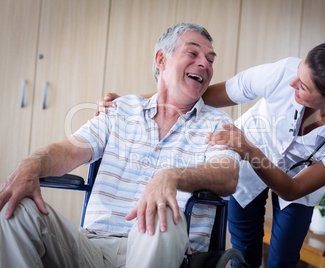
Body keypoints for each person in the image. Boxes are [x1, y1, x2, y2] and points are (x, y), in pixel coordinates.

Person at [98, 40, 325, 267]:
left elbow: (293, 189)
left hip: (279, 171)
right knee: (245, 253)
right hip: (245, 164)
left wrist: (248, 149)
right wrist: (132, 103)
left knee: (284, 260)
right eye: (298, 74)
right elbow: (201, 96)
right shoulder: (282, 73)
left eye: (303, 87)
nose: (292, 83)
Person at [0, 23, 241, 268]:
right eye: (193, 53)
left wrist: (173, 176)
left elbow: (227, 175)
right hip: (92, 248)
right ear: (161, 59)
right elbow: (70, 150)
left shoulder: (217, 123)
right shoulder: (120, 110)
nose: (205, 64)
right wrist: (32, 163)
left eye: (210, 60)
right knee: (16, 208)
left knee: (161, 211)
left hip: (163, 251)